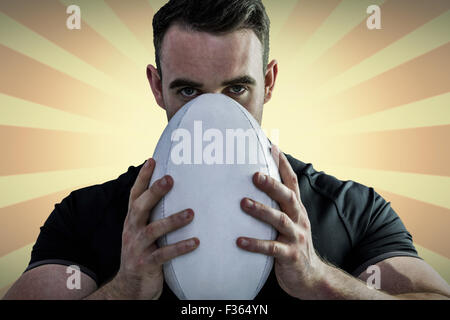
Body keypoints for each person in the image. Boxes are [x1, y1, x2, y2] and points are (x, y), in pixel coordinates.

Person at [4, 0, 449, 300]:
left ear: (269, 82)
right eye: (189, 91)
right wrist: (123, 288)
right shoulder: (84, 216)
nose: (212, 113)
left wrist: (321, 280)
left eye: (236, 88)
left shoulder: (353, 210)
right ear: (157, 87)